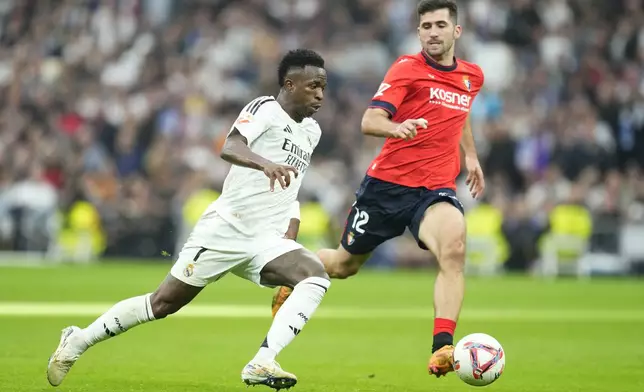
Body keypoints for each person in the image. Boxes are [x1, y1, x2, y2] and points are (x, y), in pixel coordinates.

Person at [47, 49, 330, 390]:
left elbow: (292, 186)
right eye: (314, 85)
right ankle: (78, 340)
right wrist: (264, 163)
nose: (320, 94)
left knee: (315, 276)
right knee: (163, 303)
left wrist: (290, 235)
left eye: (323, 87)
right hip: (226, 229)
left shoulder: (311, 132)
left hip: (266, 240)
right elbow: (230, 146)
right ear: (290, 83)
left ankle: (262, 362)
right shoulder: (265, 109)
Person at [271, 0, 485, 379]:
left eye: (439, 25)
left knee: (453, 249)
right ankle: (294, 271)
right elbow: (370, 120)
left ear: (456, 31)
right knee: (343, 265)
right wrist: (396, 128)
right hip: (386, 188)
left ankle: (443, 348)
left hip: (435, 189)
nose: (432, 32)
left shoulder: (472, 76)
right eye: (425, 26)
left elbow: (461, 112)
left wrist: (470, 157)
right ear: (418, 33)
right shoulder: (407, 68)